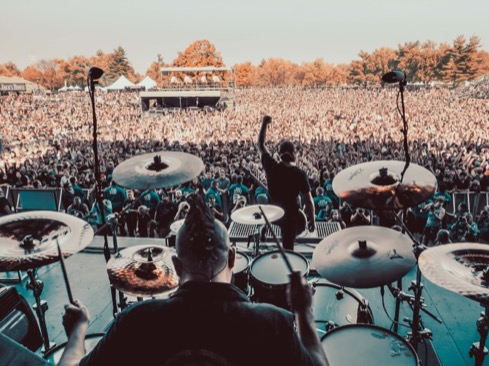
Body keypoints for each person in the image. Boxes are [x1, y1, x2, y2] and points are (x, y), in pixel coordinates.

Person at [59, 194, 328, 366]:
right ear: (232, 259)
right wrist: (304, 312)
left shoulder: (135, 322)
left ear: (175, 266)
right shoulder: (274, 325)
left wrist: (78, 330)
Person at [258, 115, 315, 250]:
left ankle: (264, 227)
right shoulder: (300, 174)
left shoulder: (271, 166)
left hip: (273, 213)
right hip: (290, 217)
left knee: (268, 207)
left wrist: (264, 123)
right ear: (294, 154)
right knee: (288, 250)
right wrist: (312, 220)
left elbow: (260, 145)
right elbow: (308, 201)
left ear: (279, 154)